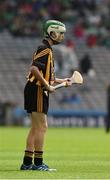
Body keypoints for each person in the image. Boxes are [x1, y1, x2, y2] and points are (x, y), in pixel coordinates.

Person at [20, 20, 72, 171]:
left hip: (33, 88)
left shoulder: (47, 49)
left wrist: (63, 80)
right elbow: (34, 69)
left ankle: (27, 162)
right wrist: (46, 85)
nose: (62, 36)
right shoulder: (45, 49)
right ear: (51, 33)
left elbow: (46, 74)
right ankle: (38, 163)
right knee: (42, 126)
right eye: (60, 33)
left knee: (35, 128)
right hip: (37, 89)